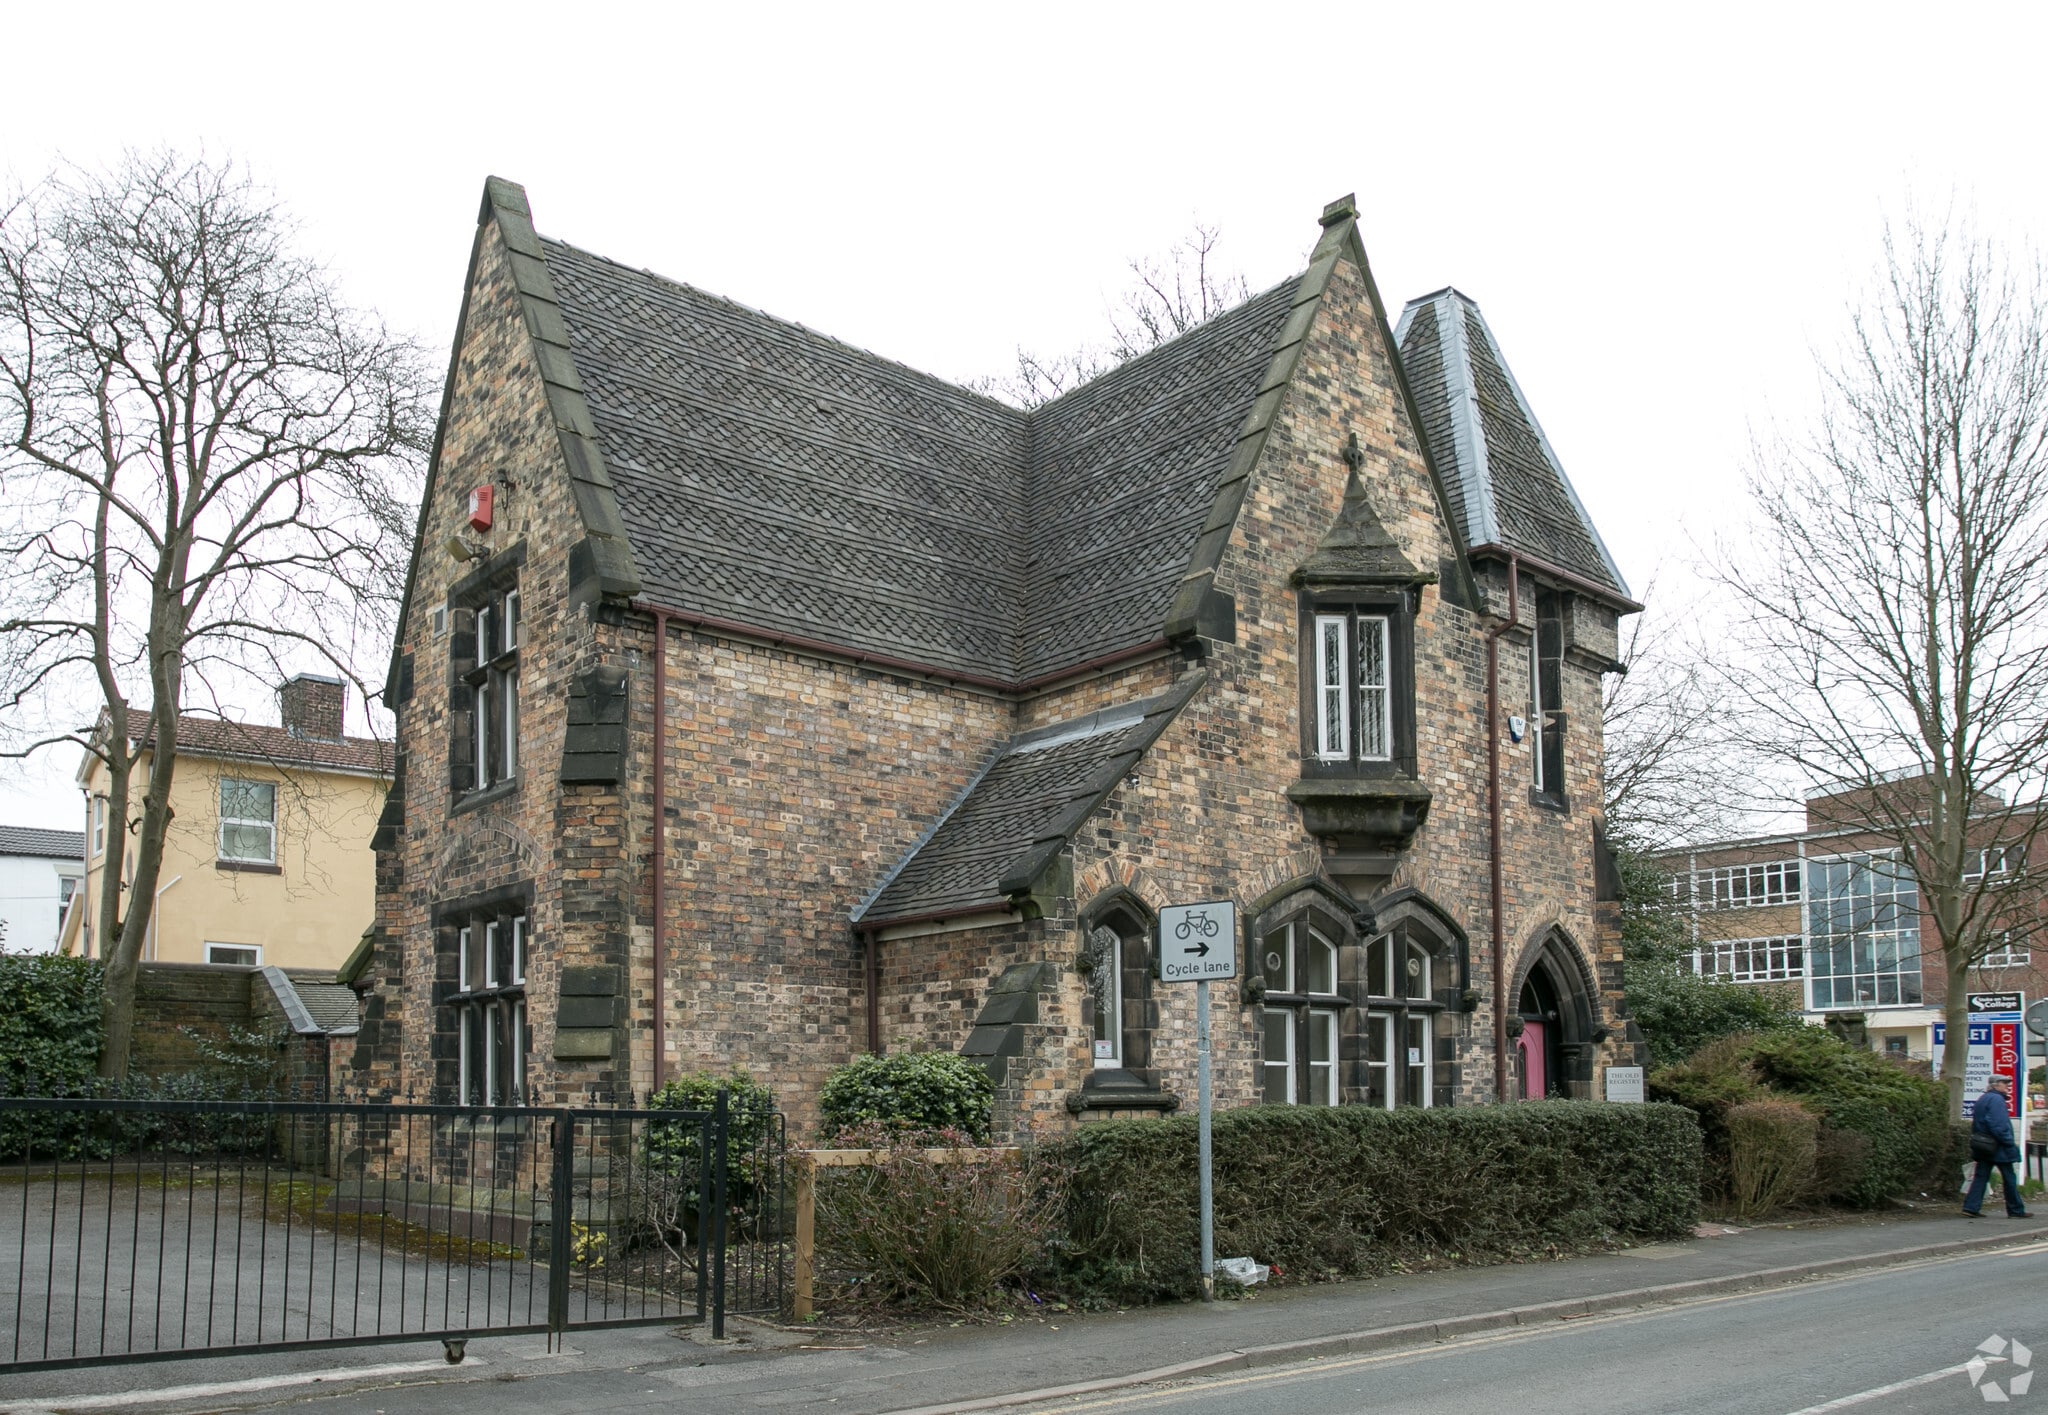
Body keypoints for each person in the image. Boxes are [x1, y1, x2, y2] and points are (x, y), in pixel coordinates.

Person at [1964, 1073, 2031, 1219]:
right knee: (2009, 1178)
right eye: (2004, 1083)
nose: (2008, 1086)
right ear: (1995, 1085)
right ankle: (2016, 1210)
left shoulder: (1984, 1098)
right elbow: (1998, 1125)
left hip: (1983, 1146)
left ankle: (1971, 1207)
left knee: (1981, 1176)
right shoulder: (1996, 1100)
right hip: (1998, 1147)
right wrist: (2009, 1143)